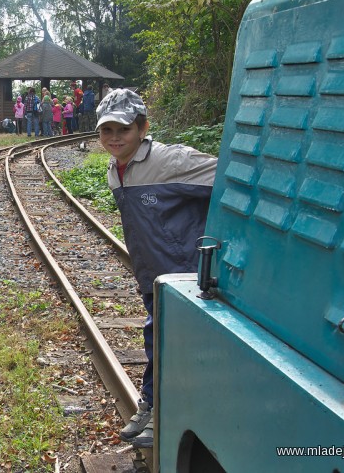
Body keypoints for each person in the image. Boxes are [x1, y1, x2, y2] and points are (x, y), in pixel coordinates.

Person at [96, 88, 217, 449]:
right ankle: (152, 403)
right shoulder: (115, 172)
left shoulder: (170, 161)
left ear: (143, 127)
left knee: (176, 345)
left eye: (124, 130)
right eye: (107, 131)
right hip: (153, 275)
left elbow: (230, 179)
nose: (115, 138)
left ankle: (167, 411)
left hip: (185, 273)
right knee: (156, 340)